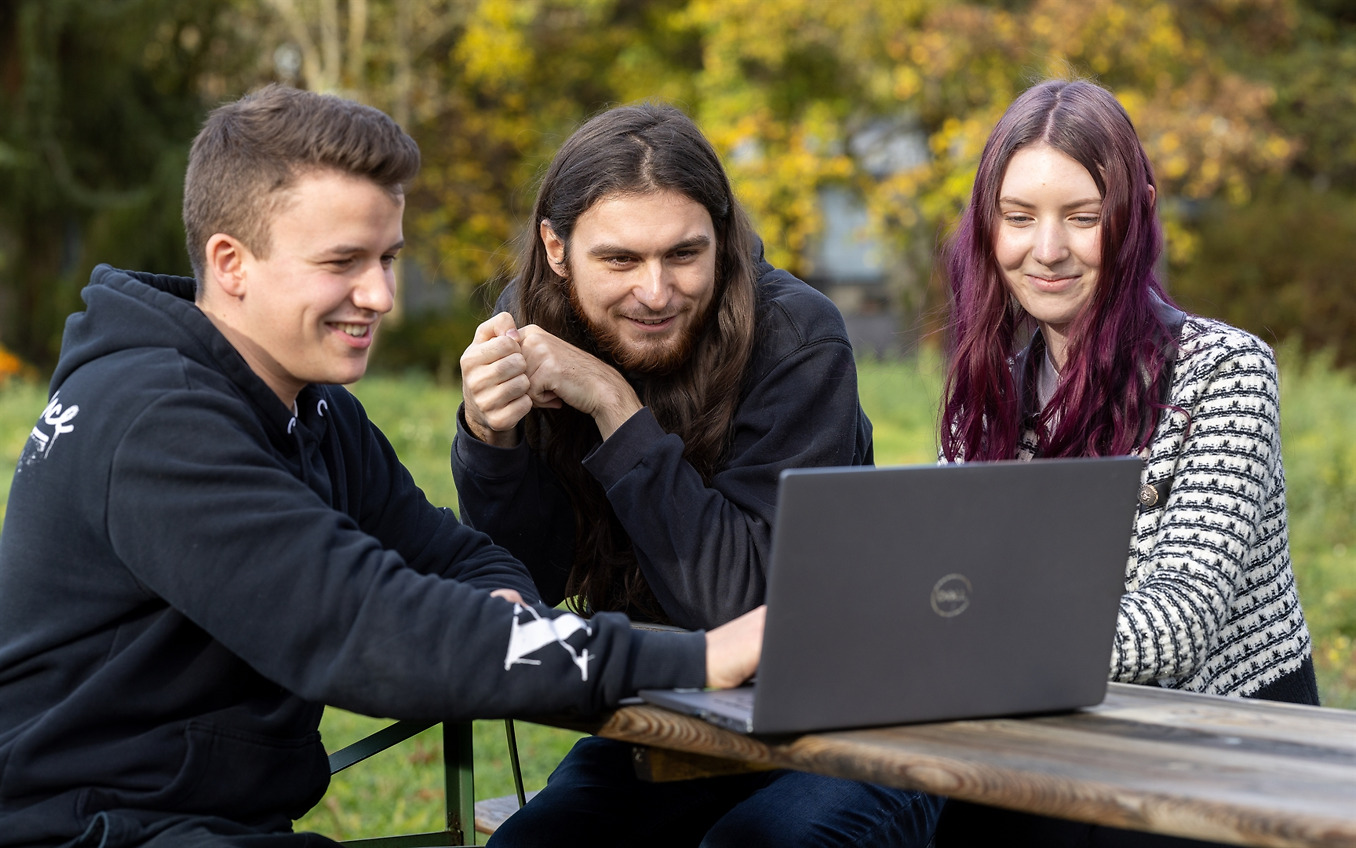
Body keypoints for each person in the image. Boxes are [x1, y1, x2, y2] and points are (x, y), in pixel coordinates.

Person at [0, 84, 764, 848]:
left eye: (388, 257)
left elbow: (452, 555)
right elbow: (369, 625)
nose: (380, 295)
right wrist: (702, 654)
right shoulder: (157, 420)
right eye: (343, 262)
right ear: (231, 262)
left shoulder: (308, 408)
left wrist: (499, 612)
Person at [454, 102, 941, 847]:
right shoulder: (530, 328)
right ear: (556, 248)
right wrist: (492, 439)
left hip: (852, 719)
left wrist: (615, 408)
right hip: (678, 719)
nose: (655, 292)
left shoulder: (798, 339)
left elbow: (739, 606)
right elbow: (526, 583)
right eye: (619, 260)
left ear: (721, 239)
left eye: (684, 254)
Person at [931, 78, 1319, 847]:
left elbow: (1177, 625)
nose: (1047, 250)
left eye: (1082, 218)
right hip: (1046, 731)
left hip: (1219, 748)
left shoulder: (1223, 370)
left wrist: (969, 639)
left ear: (1135, 212)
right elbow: (949, 581)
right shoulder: (988, 395)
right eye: (1018, 218)